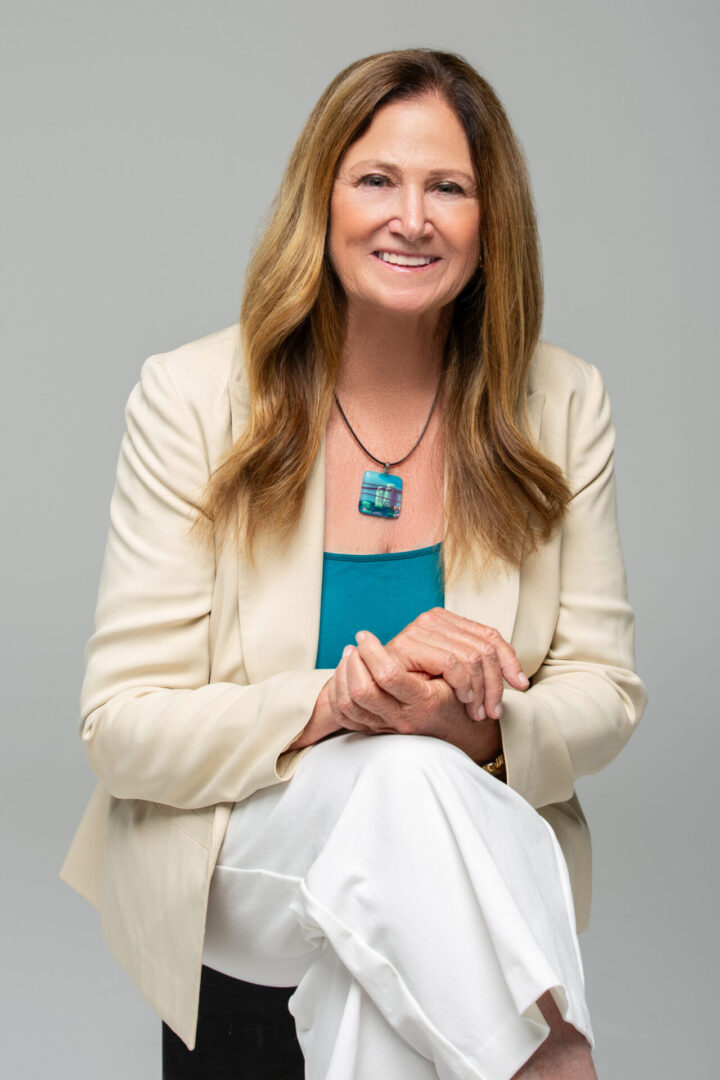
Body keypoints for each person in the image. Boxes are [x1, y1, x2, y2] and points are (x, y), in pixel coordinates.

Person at [61, 48, 646, 1079]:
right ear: (321, 201)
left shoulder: (562, 404)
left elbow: (604, 688)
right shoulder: (192, 398)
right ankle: (551, 1055)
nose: (410, 218)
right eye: (377, 178)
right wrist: (334, 704)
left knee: (408, 816)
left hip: (433, 855)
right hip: (240, 857)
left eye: (449, 188)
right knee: (401, 777)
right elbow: (122, 728)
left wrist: (480, 728)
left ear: (489, 219)